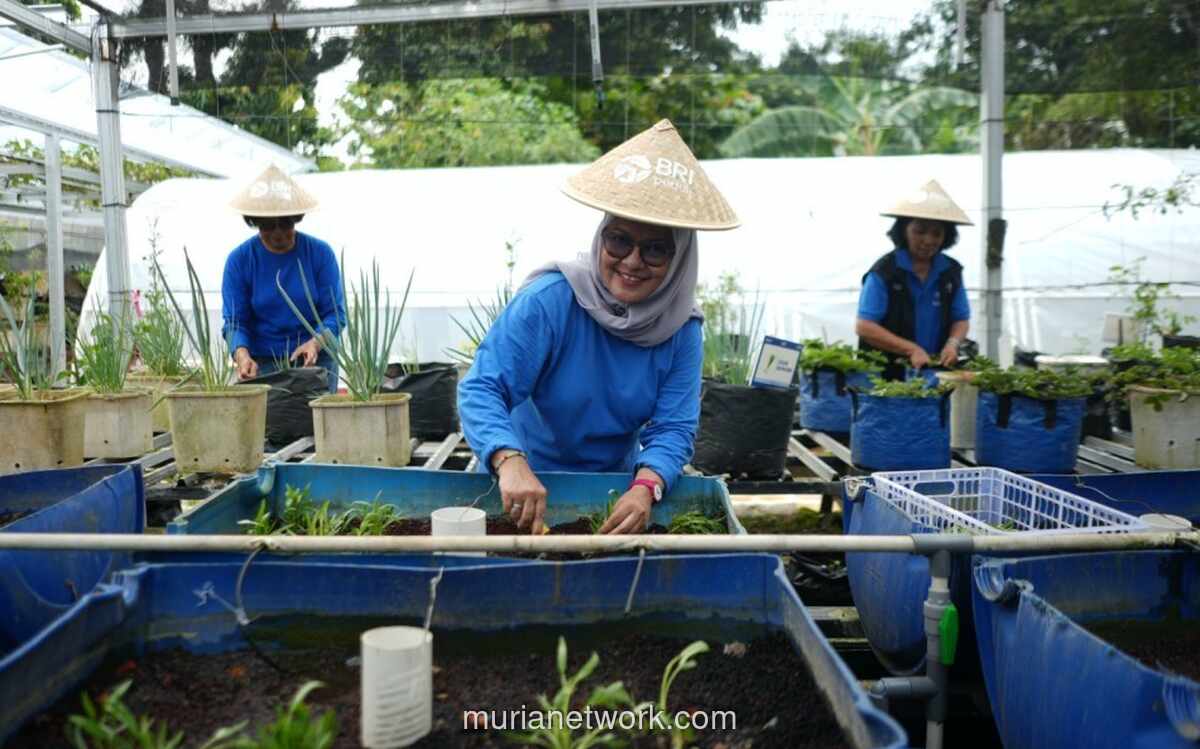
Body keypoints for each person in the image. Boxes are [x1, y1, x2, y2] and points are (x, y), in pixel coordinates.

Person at [458, 119, 739, 535]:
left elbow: (674, 427)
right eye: (619, 240)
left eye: (656, 250)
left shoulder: (681, 329)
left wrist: (647, 485)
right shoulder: (551, 301)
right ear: (600, 237)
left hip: (612, 487)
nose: (631, 261)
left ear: (679, 259)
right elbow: (483, 387)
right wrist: (508, 459)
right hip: (521, 481)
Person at [222, 165, 345, 392]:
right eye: (268, 225)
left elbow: (335, 315)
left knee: (315, 425)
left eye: (286, 222)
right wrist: (242, 355)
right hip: (264, 363)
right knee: (271, 426)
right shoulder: (239, 260)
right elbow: (235, 322)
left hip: (316, 362)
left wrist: (315, 343)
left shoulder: (319, 254)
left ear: (296, 219)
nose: (278, 232)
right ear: (255, 221)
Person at [856, 179, 973, 381]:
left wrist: (952, 344)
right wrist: (910, 349)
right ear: (904, 231)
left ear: (946, 236)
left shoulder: (951, 271)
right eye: (920, 231)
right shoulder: (884, 272)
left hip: (934, 372)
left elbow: (960, 318)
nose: (928, 240)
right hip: (885, 377)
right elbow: (865, 326)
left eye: (937, 233)